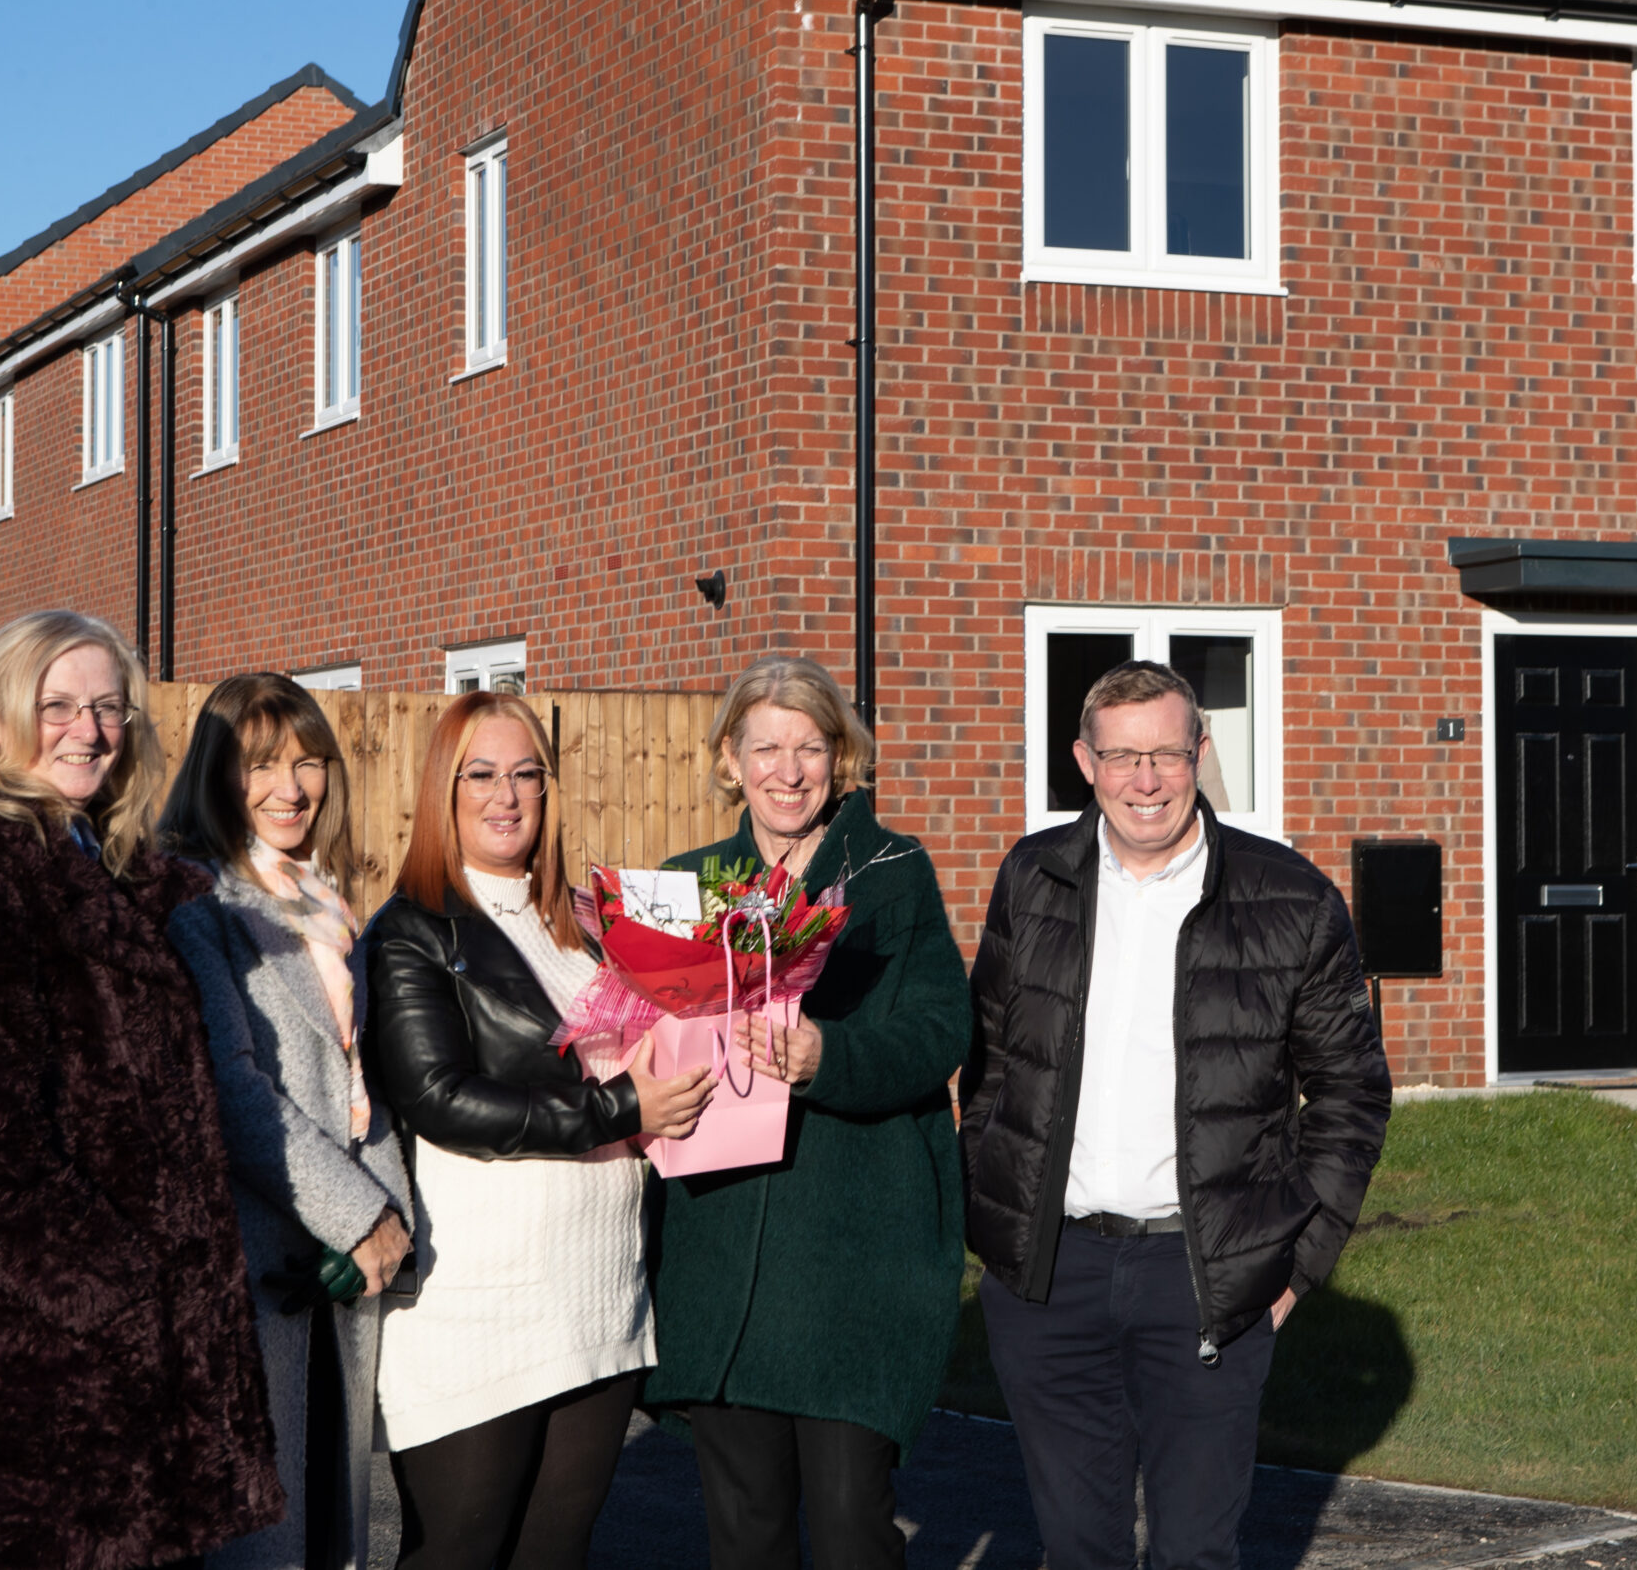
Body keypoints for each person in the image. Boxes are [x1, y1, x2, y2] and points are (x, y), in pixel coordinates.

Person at [0, 610, 281, 1570]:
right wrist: (126, 1290)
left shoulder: (104, 866)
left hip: (122, 1377)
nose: (87, 730)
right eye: (57, 705)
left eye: (108, 708)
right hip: (25, 1378)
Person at [961, 660, 1394, 1570]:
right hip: (1052, 1275)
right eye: (1123, 756)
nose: (1145, 780)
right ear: (1086, 760)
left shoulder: (1291, 899)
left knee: (1196, 1552)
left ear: (1201, 751)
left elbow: (1351, 1092)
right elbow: (993, 1061)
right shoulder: (1033, 878)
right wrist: (996, 1218)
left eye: (1165, 752)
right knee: (1078, 1550)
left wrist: (1295, 1265)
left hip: (1201, 1278)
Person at [364, 690, 717, 1570]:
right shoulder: (414, 928)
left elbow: (664, 1040)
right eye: (480, 773)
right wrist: (622, 1108)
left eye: (527, 773)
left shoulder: (594, 925)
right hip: (482, 1299)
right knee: (457, 1551)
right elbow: (441, 1097)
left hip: (599, 1289)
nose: (506, 794)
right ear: (443, 789)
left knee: (556, 1553)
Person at [644, 654, 972, 1570]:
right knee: (744, 1535)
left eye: (811, 746)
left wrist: (833, 1054)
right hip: (723, 1261)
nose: (788, 771)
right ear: (729, 758)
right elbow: (644, 1037)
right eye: (766, 747)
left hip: (852, 1260)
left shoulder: (892, 871)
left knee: (850, 1527)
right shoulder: (689, 881)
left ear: (842, 755)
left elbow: (942, 1030)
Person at [160, 673, 415, 1570]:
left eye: (309, 762)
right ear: (215, 774)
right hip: (252, 1254)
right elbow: (230, 1088)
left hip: (331, 1270)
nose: (291, 787)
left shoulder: (324, 897)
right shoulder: (201, 901)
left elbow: (358, 1077)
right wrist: (360, 1213)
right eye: (262, 765)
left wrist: (391, 1216)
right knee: (257, 1540)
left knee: (322, 1529)